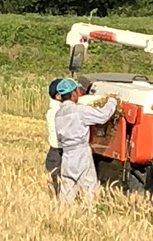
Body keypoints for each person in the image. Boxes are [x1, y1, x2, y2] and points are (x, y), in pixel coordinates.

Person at [50, 75, 117, 204]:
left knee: (67, 190)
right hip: (81, 152)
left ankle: (63, 218)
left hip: (66, 154)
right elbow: (103, 116)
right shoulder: (79, 111)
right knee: (88, 188)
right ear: (73, 94)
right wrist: (112, 101)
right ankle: (89, 217)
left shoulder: (58, 114)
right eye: (77, 91)